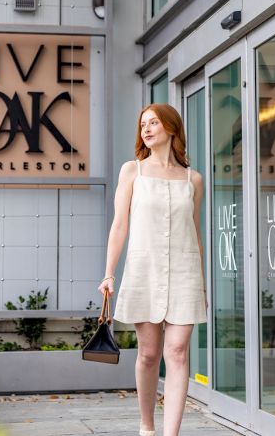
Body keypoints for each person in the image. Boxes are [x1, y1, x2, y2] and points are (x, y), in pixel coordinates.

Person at [97, 103, 207, 436]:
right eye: (143, 123)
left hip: (185, 272)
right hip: (145, 269)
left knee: (176, 352)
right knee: (149, 353)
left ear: (171, 127)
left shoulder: (193, 179)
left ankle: (170, 433)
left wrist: (201, 282)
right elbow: (119, 225)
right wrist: (108, 273)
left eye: (154, 122)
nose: (146, 129)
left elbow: (195, 231)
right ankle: (147, 426)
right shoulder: (133, 171)